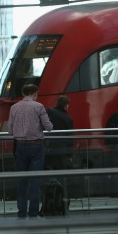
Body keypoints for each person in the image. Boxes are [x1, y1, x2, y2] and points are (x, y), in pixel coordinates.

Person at [8, 84, 53, 219]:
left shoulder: (14, 107)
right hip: (36, 147)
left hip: (20, 146)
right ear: (34, 93)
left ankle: (21, 212)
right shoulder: (38, 107)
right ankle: (33, 212)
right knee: (35, 180)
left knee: (22, 181)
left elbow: (10, 130)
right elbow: (49, 127)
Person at [45, 95, 74, 170]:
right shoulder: (68, 118)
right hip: (62, 147)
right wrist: (70, 155)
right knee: (60, 168)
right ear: (66, 105)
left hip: (47, 145)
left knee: (47, 166)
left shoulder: (49, 112)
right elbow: (70, 137)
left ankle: (50, 181)